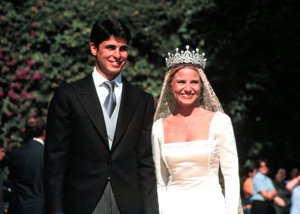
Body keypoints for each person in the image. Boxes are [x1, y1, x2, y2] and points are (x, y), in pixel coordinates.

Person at [44, 17, 159, 214]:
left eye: (123, 48)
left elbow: (146, 163)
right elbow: (55, 161)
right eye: (111, 47)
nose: (118, 55)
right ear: (94, 49)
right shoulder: (68, 96)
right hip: (82, 202)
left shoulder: (142, 100)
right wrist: (56, 210)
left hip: (129, 204)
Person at [151, 45, 241, 213]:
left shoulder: (220, 121)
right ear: (170, 86)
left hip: (212, 206)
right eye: (181, 82)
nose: (188, 88)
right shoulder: (158, 128)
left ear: (202, 86)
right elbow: (160, 182)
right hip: (173, 207)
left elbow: (230, 176)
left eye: (194, 82)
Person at [7, 116, 46, 214]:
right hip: (39, 208)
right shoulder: (46, 154)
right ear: (44, 132)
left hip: (17, 208)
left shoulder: (14, 154)